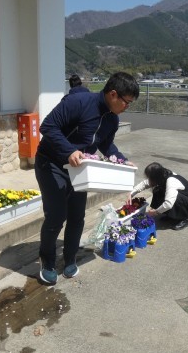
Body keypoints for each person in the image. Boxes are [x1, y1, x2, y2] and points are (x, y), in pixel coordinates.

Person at [35, 72, 139, 285]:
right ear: (113, 94)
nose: (127, 107)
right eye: (127, 102)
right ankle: (47, 261)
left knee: (77, 216)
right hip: (51, 163)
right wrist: (68, 150)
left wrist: (122, 160)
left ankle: (70, 258)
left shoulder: (112, 119)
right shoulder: (79, 102)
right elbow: (47, 127)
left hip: (80, 169)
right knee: (56, 216)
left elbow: (106, 144)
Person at [128, 162, 188, 231]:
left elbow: (169, 203)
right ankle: (172, 216)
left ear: (155, 177)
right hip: (184, 201)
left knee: (174, 197)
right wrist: (131, 194)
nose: (149, 180)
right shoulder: (162, 175)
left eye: (150, 178)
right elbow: (144, 183)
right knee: (158, 190)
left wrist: (156, 212)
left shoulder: (171, 181)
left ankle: (184, 219)